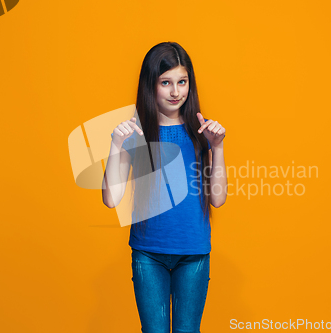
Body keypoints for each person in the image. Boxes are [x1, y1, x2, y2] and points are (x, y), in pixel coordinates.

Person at [102, 41, 227, 333]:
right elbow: (111, 199)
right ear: (151, 85)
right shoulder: (134, 133)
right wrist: (115, 145)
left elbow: (218, 199)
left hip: (193, 252)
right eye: (166, 82)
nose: (175, 92)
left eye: (182, 82)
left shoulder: (203, 133)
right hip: (148, 253)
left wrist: (217, 148)